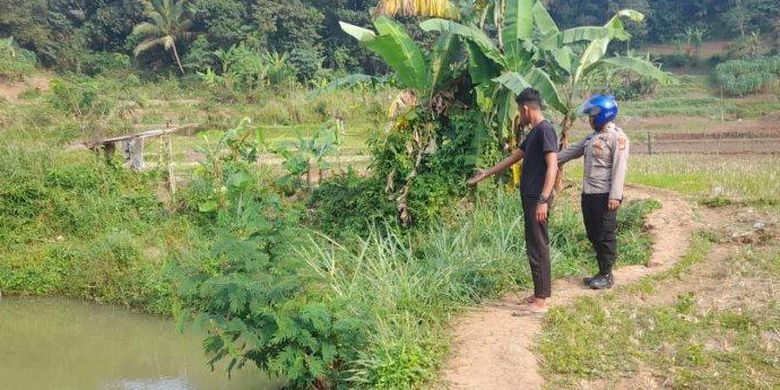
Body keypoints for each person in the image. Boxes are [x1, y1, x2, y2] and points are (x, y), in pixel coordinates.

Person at [468, 88, 558, 313]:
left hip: (538, 199)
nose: (520, 114)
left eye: (520, 110)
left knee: (538, 245)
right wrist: (486, 173)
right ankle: (540, 293)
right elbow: (514, 158)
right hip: (531, 198)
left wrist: (543, 199)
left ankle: (541, 301)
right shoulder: (535, 132)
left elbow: (553, 166)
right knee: (533, 244)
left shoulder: (545, 130)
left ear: (526, 109)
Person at [558, 95, 630, 290]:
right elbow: (572, 151)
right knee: (593, 233)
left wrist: (615, 195)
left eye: (591, 116)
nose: (589, 120)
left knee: (605, 234)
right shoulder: (592, 138)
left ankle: (607, 275)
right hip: (589, 194)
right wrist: (551, 160)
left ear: (603, 114)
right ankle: (601, 272)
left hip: (605, 195)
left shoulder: (618, 138)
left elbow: (619, 168)